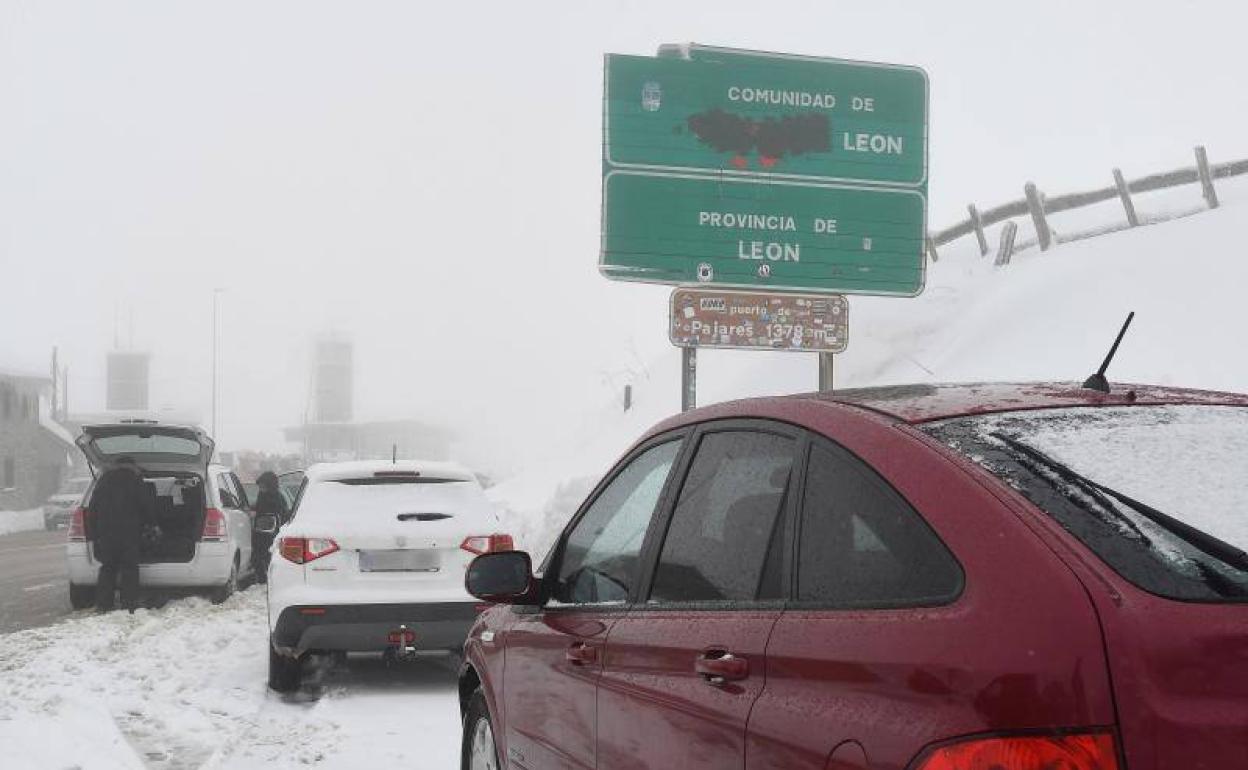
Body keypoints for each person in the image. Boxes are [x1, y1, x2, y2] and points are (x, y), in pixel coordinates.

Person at [89, 456, 155, 612]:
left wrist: (94, 533)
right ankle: (129, 604)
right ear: (132, 466)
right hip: (129, 532)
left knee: (107, 568)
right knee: (129, 568)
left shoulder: (103, 480)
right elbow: (146, 505)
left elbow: (92, 508)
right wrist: (151, 523)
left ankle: (104, 604)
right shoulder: (136, 480)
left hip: (106, 532)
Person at [251, 471, 289, 582]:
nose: (260, 488)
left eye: (262, 486)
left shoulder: (277, 498)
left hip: (271, 533)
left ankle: (268, 579)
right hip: (260, 532)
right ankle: (263, 579)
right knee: (257, 557)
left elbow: (282, 514)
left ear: (269, 485)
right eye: (260, 486)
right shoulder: (262, 495)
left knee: (268, 557)